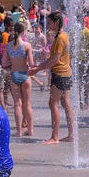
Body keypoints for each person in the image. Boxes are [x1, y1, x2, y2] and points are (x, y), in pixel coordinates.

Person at [28, 11, 74, 143]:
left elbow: (54, 60)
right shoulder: (63, 35)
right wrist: (37, 67)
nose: (47, 24)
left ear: (56, 22)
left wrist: (38, 69)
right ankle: (71, 135)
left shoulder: (60, 38)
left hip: (59, 73)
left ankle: (55, 137)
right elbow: (52, 58)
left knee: (53, 103)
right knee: (66, 104)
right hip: (66, 72)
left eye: (49, 22)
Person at [1, 22, 34, 137]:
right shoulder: (27, 45)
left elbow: (4, 63)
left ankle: (19, 131)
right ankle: (30, 130)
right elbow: (31, 63)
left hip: (14, 75)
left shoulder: (8, 46)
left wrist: (13, 62)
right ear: (24, 31)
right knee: (27, 104)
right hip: (25, 75)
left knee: (17, 104)